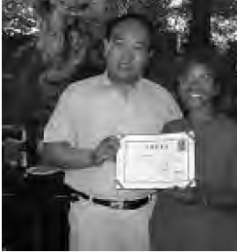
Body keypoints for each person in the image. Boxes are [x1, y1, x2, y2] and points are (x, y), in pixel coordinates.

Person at [41, 13, 182, 251]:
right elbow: (50, 151)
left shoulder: (163, 99)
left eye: (138, 48)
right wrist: (93, 156)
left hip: (147, 217)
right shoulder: (77, 94)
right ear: (106, 47)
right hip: (93, 219)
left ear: (148, 56)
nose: (127, 56)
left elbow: (180, 155)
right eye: (119, 44)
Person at [150, 50, 237, 251]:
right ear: (178, 85)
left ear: (216, 89)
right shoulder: (170, 129)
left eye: (204, 78)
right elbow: (157, 179)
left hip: (216, 239)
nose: (194, 85)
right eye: (187, 78)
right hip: (169, 236)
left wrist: (200, 196)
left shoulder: (232, 133)